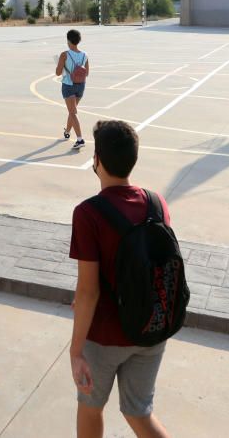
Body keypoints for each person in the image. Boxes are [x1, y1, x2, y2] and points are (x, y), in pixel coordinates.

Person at [70, 120, 172, 438]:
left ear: (97, 160)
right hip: (152, 330)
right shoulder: (157, 203)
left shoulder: (88, 214)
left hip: (105, 336)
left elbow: (88, 292)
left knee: (90, 407)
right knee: (139, 414)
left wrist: (75, 352)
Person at [56, 29, 89, 150]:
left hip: (68, 86)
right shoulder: (85, 55)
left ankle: (80, 139)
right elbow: (87, 73)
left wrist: (65, 68)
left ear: (68, 40)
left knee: (73, 112)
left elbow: (58, 72)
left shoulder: (65, 54)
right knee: (72, 111)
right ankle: (67, 131)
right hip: (81, 85)